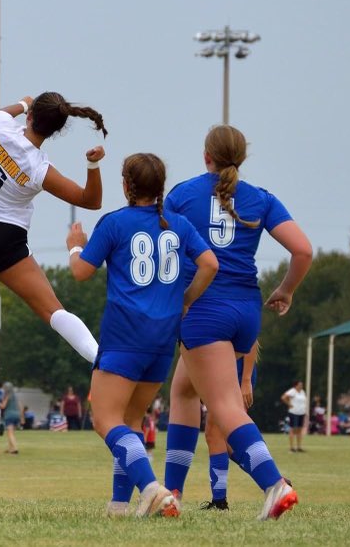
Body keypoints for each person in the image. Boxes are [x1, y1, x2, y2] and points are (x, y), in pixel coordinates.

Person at [162, 125, 312, 521]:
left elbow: (163, 246)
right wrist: (286, 290)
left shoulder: (182, 194)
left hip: (204, 307)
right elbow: (303, 250)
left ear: (205, 156)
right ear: (241, 159)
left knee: (225, 407)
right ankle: (171, 494)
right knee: (183, 390)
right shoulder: (261, 198)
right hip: (246, 308)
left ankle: (275, 485)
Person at [67, 152, 218, 518]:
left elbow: (81, 272)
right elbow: (210, 263)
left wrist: (75, 243)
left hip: (124, 336)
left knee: (105, 420)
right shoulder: (178, 224)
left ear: (126, 185)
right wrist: (185, 299)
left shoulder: (115, 223)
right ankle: (119, 504)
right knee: (131, 421)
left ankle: (151, 489)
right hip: (163, 339)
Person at [0, 92, 109, 398]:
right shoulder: (40, 168)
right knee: (53, 311)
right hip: (6, 235)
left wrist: (24, 102)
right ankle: (101, 359)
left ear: (28, 118)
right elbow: (90, 201)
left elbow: (2, 111)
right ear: (55, 132)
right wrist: (92, 166)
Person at [201, 343, 258, 511]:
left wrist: (246, 380)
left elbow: (252, 340)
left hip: (235, 372)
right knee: (219, 440)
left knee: (215, 433)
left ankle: (219, 501)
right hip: (224, 369)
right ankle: (273, 479)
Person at [281, 380, 308, 452]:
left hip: (301, 413)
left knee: (299, 429)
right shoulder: (292, 391)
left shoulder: (302, 392)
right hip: (294, 413)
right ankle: (292, 447)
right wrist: (289, 404)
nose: (301, 386)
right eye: (300, 385)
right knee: (293, 429)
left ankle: (299, 447)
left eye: (301, 385)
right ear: (296, 385)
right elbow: (283, 397)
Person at [0, 381, 21, 454]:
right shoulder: (15, 396)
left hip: (9, 415)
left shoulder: (6, 395)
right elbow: (19, 406)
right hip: (16, 415)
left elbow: (3, 406)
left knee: (10, 433)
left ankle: (15, 448)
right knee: (11, 433)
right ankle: (10, 448)